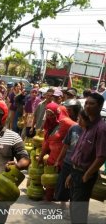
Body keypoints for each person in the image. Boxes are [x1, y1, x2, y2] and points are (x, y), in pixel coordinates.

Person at [66, 92, 106, 224]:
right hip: (76, 172)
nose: (87, 106)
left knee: (79, 211)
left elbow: (101, 157)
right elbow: (79, 153)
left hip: (84, 175)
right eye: (87, 103)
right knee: (74, 208)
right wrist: (72, 174)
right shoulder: (87, 127)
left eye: (92, 104)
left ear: (100, 107)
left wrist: (86, 175)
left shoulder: (101, 129)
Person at [38, 102, 76, 201]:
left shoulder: (66, 122)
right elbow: (46, 142)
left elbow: (78, 129)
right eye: (48, 114)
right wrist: (41, 156)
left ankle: (62, 200)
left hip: (63, 157)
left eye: (52, 114)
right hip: (52, 156)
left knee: (62, 181)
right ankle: (50, 195)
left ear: (57, 113)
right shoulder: (48, 123)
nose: (50, 117)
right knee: (50, 178)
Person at [54, 110, 89, 204]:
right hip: (68, 162)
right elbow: (66, 145)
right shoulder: (73, 128)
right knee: (63, 186)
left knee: (75, 189)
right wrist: (58, 160)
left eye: (81, 119)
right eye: (78, 119)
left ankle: (72, 210)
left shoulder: (90, 132)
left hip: (80, 166)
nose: (79, 121)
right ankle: (62, 205)